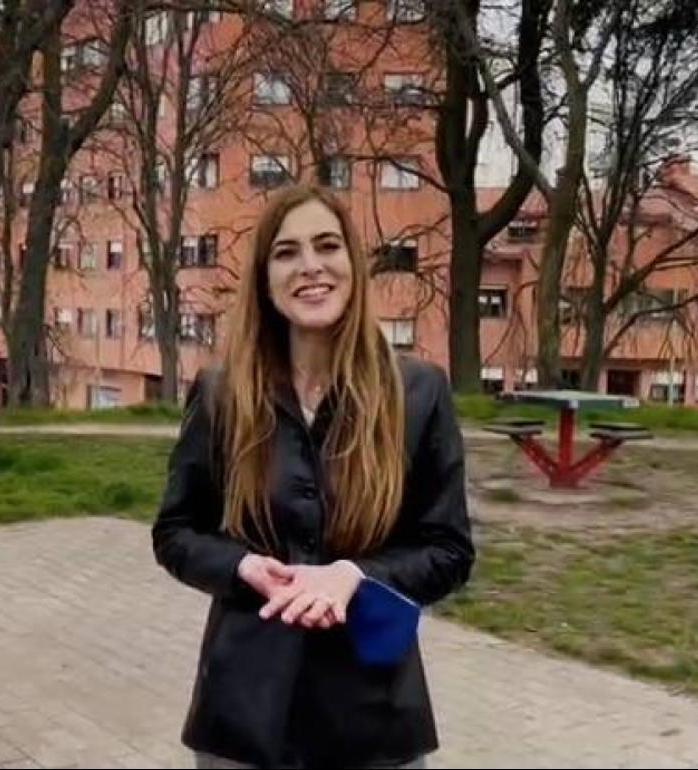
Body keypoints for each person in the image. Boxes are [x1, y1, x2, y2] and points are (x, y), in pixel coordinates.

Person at [152, 184, 474, 769]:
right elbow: (175, 532)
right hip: (245, 712)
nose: (310, 267)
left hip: (374, 714)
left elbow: (449, 550)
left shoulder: (418, 393)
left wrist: (355, 576)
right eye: (286, 252)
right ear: (264, 278)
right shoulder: (222, 394)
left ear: (352, 262)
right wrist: (242, 566)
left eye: (327, 246)